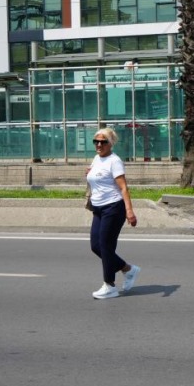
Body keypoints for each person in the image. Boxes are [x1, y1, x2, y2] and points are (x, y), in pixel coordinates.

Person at [86, 127, 140, 299]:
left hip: (113, 208)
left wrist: (129, 211)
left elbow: (123, 187)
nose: (99, 145)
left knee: (106, 246)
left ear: (111, 143)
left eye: (103, 142)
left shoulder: (114, 161)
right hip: (98, 208)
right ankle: (128, 269)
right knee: (96, 246)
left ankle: (109, 285)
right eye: (96, 141)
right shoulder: (96, 158)